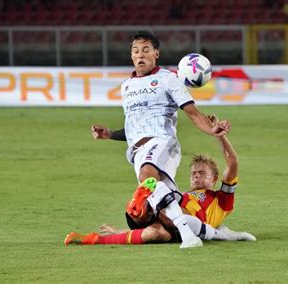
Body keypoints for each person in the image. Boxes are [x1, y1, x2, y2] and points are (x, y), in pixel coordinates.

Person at [90, 31, 231, 249]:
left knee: (148, 175)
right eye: (136, 51)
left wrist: (212, 130)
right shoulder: (126, 87)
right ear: (131, 56)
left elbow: (192, 113)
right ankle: (217, 234)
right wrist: (109, 134)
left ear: (156, 53)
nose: (140, 55)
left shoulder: (168, 79)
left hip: (163, 142)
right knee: (164, 212)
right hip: (137, 151)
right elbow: (133, 128)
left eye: (146, 50)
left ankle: (188, 236)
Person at [64, 178, 256, 245]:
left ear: (214, 178)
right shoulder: (187, 195)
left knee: (159, 229)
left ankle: (146, 207)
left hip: (193, 223)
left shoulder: (220, 200)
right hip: (181, 222)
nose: (197, 176)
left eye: (202, 173)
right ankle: (143, 208)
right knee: (159, 228)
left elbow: (232, 167)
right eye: (194, 173)